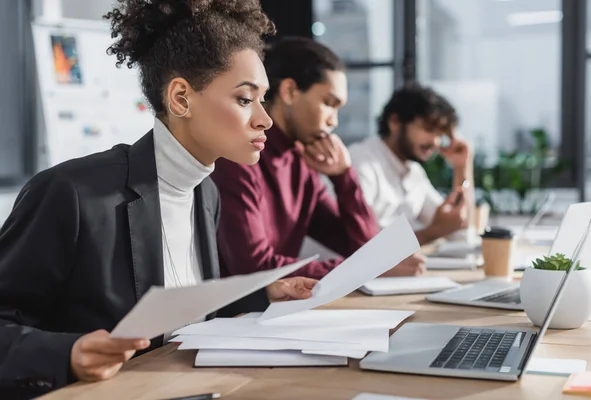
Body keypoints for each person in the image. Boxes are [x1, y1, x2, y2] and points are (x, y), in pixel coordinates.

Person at [0, 1, 319, 398]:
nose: (264, 119)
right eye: (244, 99)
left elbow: (179, 312)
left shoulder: (205, 192)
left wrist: (262, 294)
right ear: (181, 98)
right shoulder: (71, 194)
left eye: (263, 98)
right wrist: (67, 353)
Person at [211, 37, 425, 280]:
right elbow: (254, 268)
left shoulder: (302, 163)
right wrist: (359, 269)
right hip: (236, 315)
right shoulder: (239, 156)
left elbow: (362, 247)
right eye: (328, 103)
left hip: (276, 311)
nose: (333, 121)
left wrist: (344, 176)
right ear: (289, 92)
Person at [349, 84, 474, 245]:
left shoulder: (414, 174)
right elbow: (361, 247)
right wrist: (432, 232)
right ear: (394, 122)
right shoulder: (361, 161)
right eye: (429, 129)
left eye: (440, 134)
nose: (436, 142)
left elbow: (459, 233)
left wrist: (462, 167)